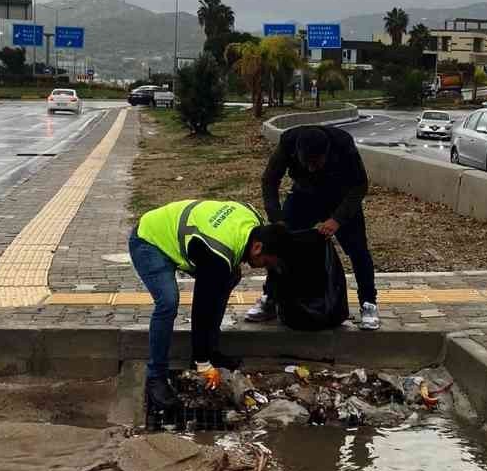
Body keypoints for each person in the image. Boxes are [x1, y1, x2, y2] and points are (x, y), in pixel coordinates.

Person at [129, 198, 287, 411]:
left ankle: (210, 350)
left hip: (182, 237)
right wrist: (202, 364)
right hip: (149, 239)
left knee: (230, 277)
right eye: (266, 262)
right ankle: (156, 377)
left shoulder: (253, 221)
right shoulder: (217, 254)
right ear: (257, 247)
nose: (262, 267)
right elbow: (201, 307)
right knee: (168, 302)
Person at [249, 124, 380, 329]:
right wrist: (277, 219)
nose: (311, 167)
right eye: (306, 162)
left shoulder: (342, 143)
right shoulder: (288, 142)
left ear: (326, 153)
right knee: (279, 243)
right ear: (297, 153)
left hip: (341, 196)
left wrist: (337, 219)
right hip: (304, 195)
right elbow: (269, 180)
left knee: (358, 251)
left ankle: (368, 302)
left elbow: (360, 185)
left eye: (316, 163)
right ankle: (271, 298)